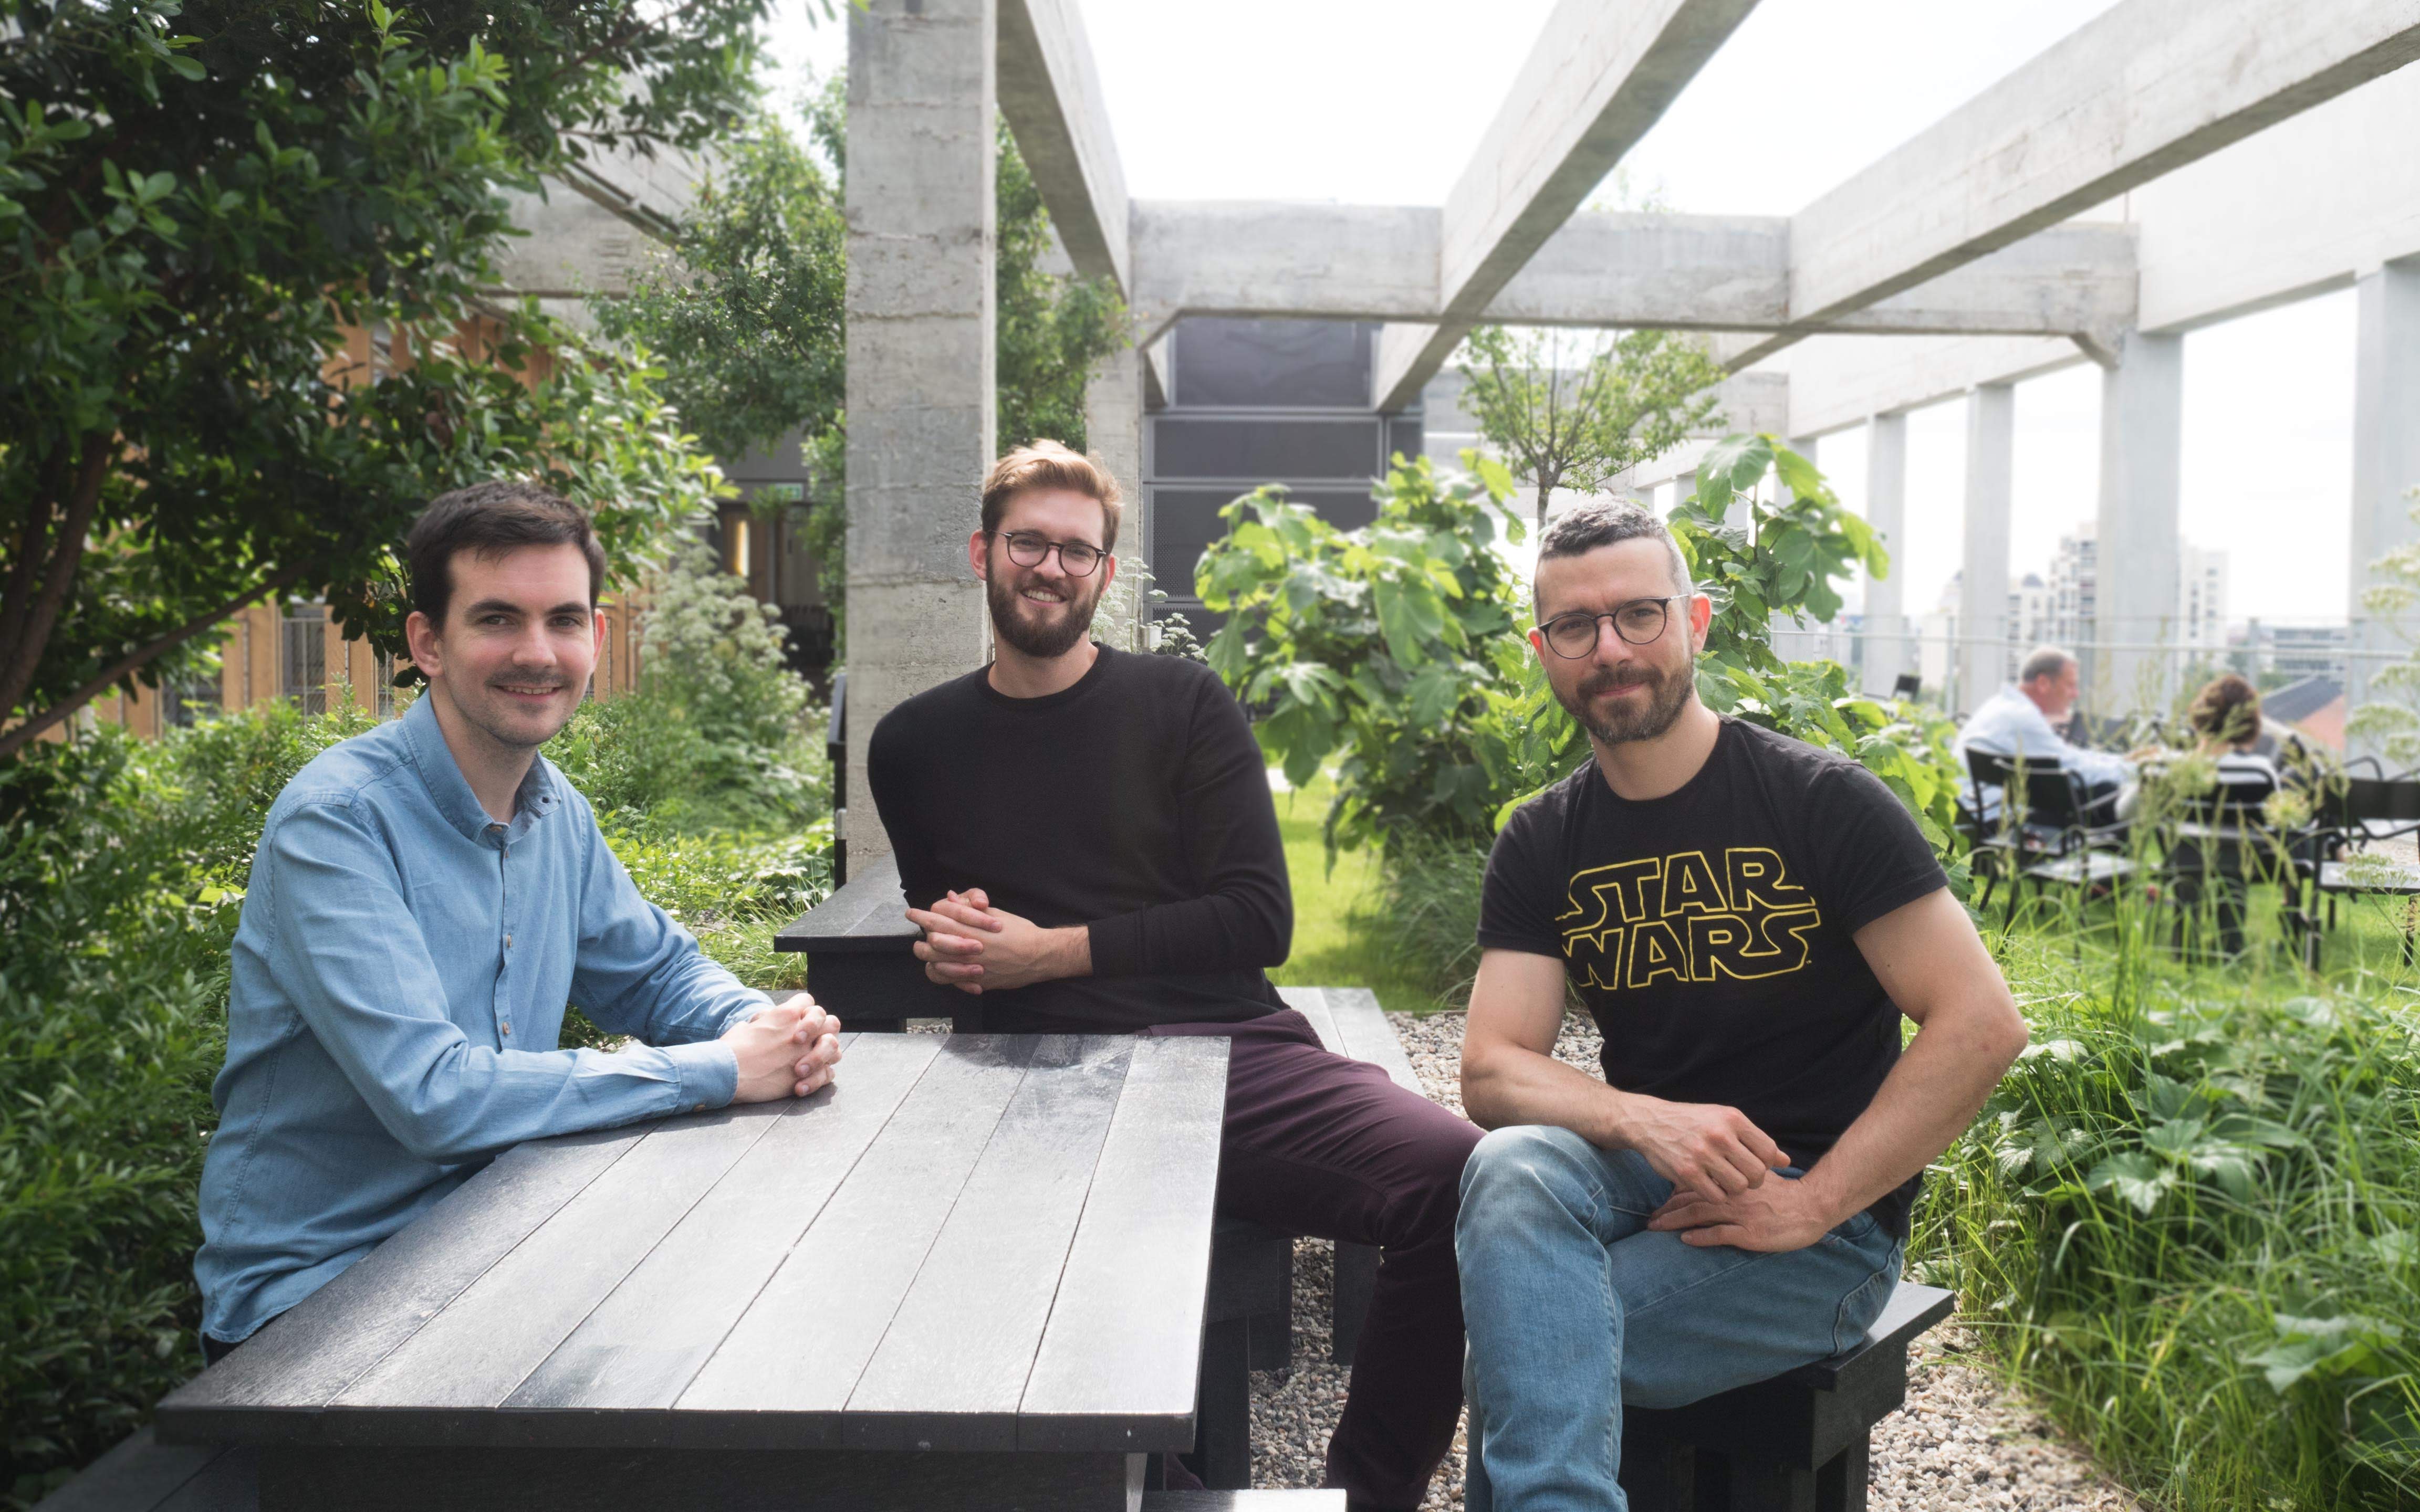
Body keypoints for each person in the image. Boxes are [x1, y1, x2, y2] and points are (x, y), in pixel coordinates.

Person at [867, 441, 1482, 1512]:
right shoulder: (913, 744)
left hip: (1227, 1049)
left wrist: (1053, 948)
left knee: (1460, 1174)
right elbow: (963, 938)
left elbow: (1259, 919)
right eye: (1028, 542)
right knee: (943, 1259)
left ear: (1104, 574)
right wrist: (955, 945)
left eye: (1076, 550)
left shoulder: (1182, 702)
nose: (1050, 568)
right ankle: (1165, 1491)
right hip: (1033, 1075)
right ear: (983, 553)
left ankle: (1368, 1496)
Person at [1453, 500, 2029, 1511]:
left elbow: (1980, 1024)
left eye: (1639, 614)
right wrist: (1641, 1118)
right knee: (1511, 1163)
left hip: (1824, 1227)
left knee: (1533, 1343)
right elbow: (1493, 1070)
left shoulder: (1817, 802)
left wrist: (1810, 1203)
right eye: (1576, 628)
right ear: (1542, 650)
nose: (1611, 649)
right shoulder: (1543, 839)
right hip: (1651, 1172)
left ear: (1696, 620)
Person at [195, 483, 843, 1361]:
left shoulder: (555, 810)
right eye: (498, 619)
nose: (537, 653)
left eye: (564, 620)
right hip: (318, 1304)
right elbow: (435, 1098)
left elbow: (655, 976)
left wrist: (762, 1027)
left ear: (596, 639)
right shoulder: (338, 823)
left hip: (499, 1251)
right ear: (427, 641)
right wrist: (719, 1070)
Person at [2165, 672, 2285, 957]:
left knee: (2190, 849)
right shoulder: (2259, 770)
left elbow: (2126, 809)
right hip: (2241, 860)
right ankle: (2230, 945)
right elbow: (2277, 818)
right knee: (2231, 852)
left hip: (2184, 856)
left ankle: (2183, 945)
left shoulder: (2175, 767)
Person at [1955, 646, 2136, 825]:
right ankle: (2120, 851)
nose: (2075, 694)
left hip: (1978, 812)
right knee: (2104, 792)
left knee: (2097, 792)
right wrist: (2134, 770)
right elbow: (2074, 770)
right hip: (2000, 821)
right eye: (2070, 685)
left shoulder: (2002, 706)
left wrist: (2122, 761)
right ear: (2043, 683)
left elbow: (2068, 757)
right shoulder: (2022, 717)